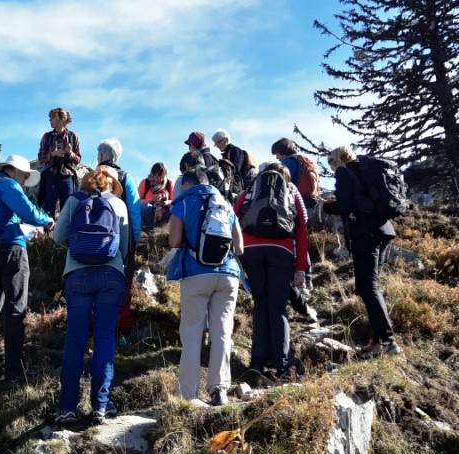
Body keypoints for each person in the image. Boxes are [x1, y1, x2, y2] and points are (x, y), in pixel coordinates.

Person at [52, 166, 130, 424]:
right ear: (111, 184)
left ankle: (67, 408)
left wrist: (78, 246)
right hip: (110, 274)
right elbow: (125, 244)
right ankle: (101, 405)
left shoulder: (74, 201)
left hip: (77, 273)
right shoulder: (117, 204)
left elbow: (58, 235)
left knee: (75, 337)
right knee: (105, 337)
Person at [0, 155, 53, 388]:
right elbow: (28, 211)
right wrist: (47, 221)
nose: (25, 179)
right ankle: (14, 374)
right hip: (12, 254)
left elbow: (3, 221)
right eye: (25, 175)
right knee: (15, 311)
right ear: (15, 170)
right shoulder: (8, 185)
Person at [167, 168, 243, 406]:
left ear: (188, 183)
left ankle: (188, 395)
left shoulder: (184, 203)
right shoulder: (224, 203)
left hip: (196, 274)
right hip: (228, 275)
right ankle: (219, 389)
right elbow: (239, 247)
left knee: (192, 333)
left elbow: (175, 241)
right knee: (222, 332)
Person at [323, 146, 402, 358]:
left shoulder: (344, 171)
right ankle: (377, 341)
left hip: (364, 234)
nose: (331, 167)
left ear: (339, 158)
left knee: (367, 287)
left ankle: (388, 340)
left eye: (331, 161)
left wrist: (327, 206)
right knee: (370, 286)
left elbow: (344, 204)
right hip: (383, 230)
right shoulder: (365, 170)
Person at [237, 162, 309, 383]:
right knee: (277, 306)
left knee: (261, 304)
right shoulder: (291, 190)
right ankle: (281, 363)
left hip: (250, 250)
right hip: (281, 250)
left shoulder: (250, 189)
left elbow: (234, 214)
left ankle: (257, 362)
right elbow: (301, 228)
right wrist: (300, 268)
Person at [96, 139, 142, 334]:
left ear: (100, 156)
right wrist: (136, 236)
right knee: (123, 283)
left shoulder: (92, 176)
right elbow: (134, 208)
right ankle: (122, 326)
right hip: (121, 238)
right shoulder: (125, 177)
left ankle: (95, 325)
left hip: (92, 240)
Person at [36, 108, 82, 217]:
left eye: (53, 117)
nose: (50, 120)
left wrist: (70, 153)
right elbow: (40, 157)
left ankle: (65, 233)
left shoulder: (72, 136)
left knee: (67, 206)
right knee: (49, 205)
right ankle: (47, 233)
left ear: (61, 120)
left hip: (66, 174)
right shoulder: (47, 137)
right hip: (50, 173)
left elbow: (78, 159)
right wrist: (52, 154)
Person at [212, 129, 258, 198]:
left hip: (240, 187)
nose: (217, 146)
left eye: (218, 143)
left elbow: (235, 169)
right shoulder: (227, 153)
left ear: (226, 140)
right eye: (215, 144)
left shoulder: (235, 150)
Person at [137, 162, 174, 231]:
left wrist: (165, 202)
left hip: (165, 212)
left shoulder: (169, 183)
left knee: (173, 208)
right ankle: (143, 229)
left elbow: (174, 200)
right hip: (148, 213)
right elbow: (137, 201)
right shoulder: (145, 182)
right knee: (143, 206)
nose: (158, 178)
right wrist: (151, 200)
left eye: (160, 175)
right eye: (155, 175)